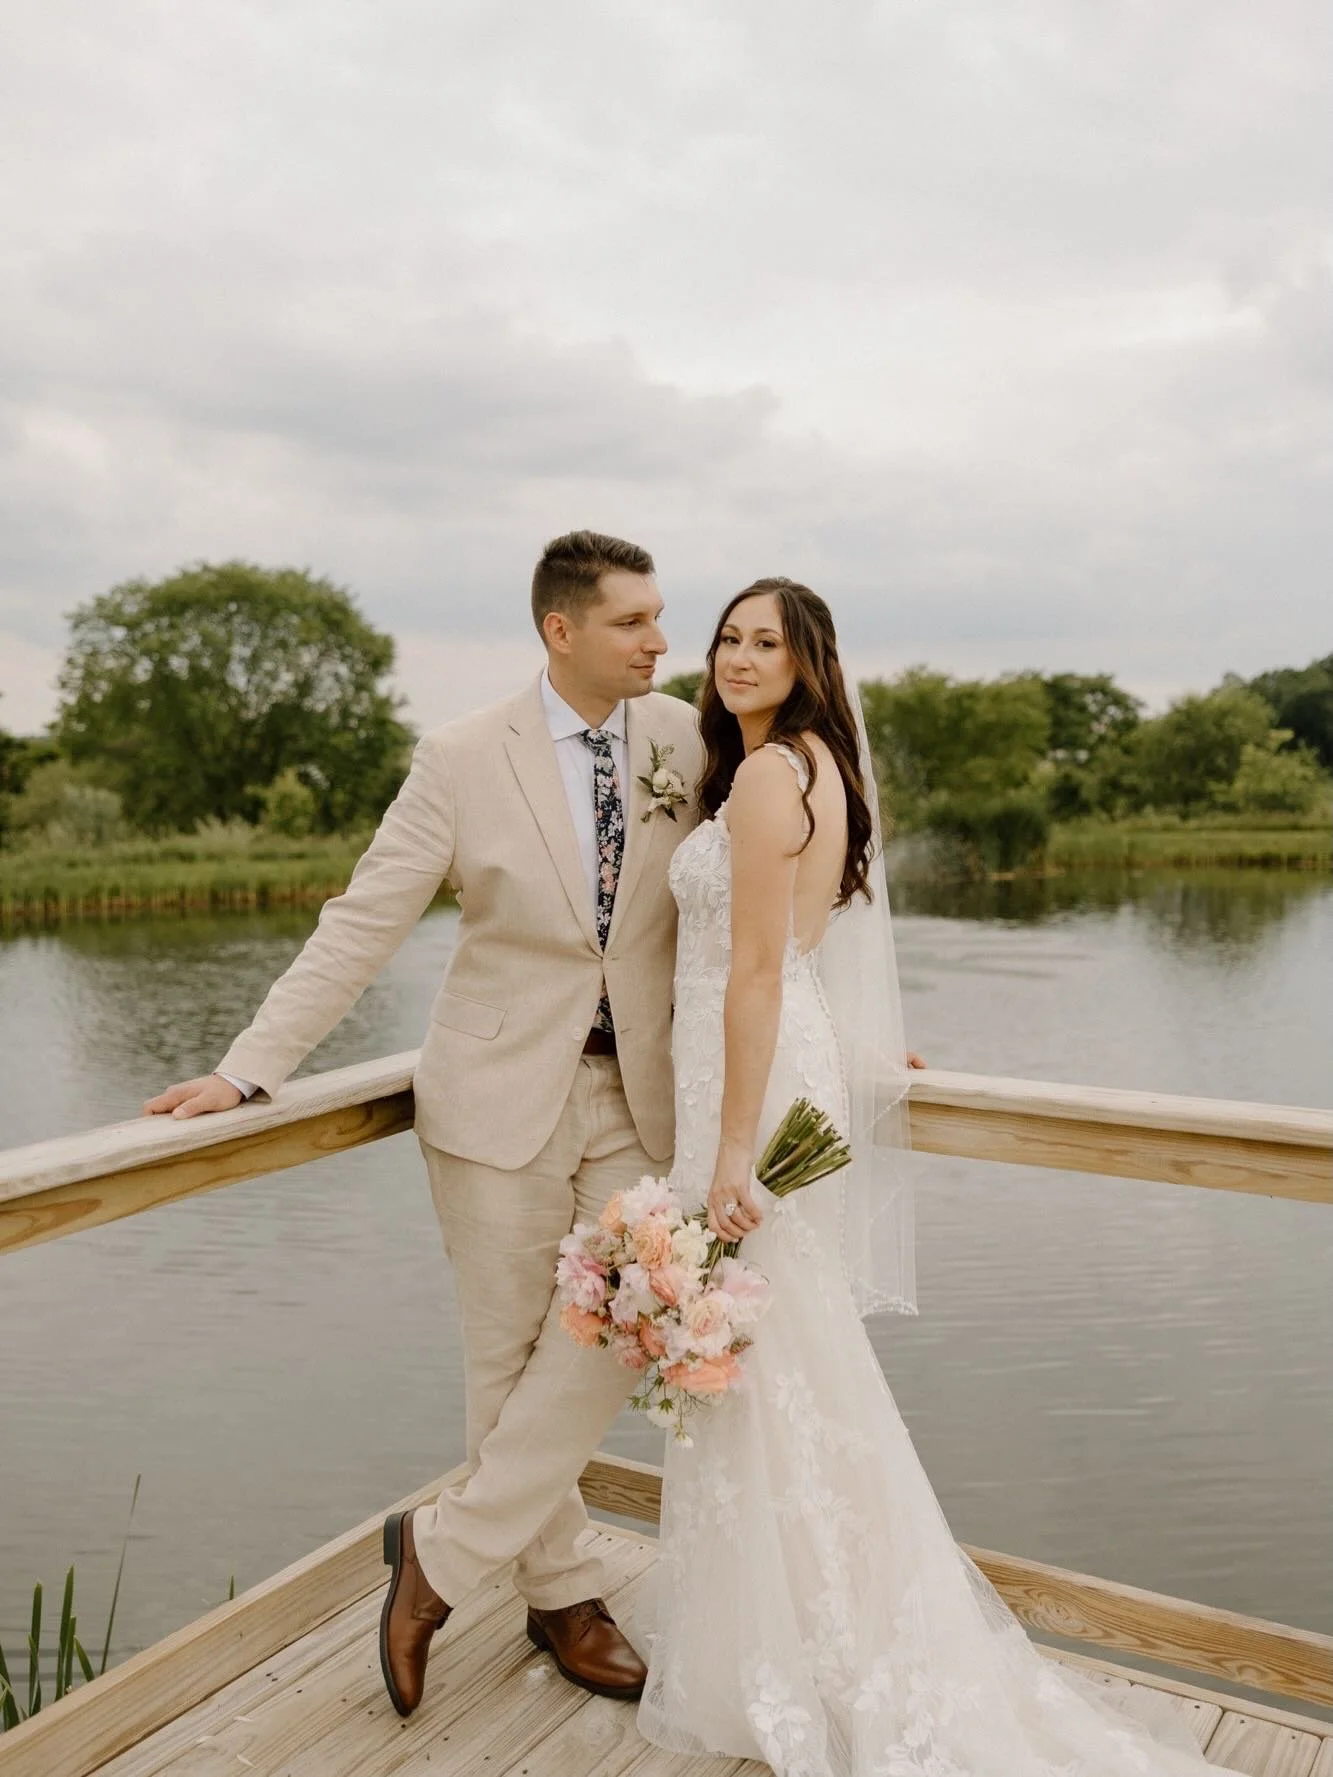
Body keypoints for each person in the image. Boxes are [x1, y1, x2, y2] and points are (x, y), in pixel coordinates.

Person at [634, 577, 1245, 1777]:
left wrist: (723, 1156)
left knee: (765, 1357)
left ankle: (810, 1643)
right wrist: (852, 1054)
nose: (737, 656)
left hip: (744, 1089)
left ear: (809, 662)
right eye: (727, 637)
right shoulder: (815, 767)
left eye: (767, 641)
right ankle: (802, 1624)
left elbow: (754, 971)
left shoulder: (764, 777)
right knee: (779, 1357)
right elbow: (809, 955)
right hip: (775, 1065)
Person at [144, 530, 704, 1718]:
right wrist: (248, 1071)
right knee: (505, 1361)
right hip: (492, 1098)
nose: (662, 638)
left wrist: (851, 1027)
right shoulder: (459, 758)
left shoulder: (685, 737)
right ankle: (560, 1594)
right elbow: (364, 920)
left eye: (661, 617)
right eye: (634, 621)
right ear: (562, 630)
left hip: (638, 1097)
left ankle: (436, 1557)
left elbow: (775, 874)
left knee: (619, 1332)